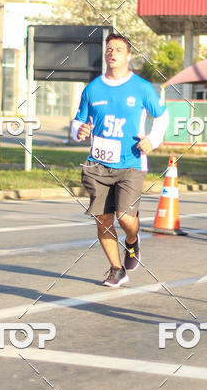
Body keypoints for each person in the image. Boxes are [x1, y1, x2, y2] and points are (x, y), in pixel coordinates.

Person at [71, 33, 169, 288]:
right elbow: (78, 121)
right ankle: (116, 269)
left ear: (129, 56)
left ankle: (132, 241)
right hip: (98, 164)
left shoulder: (142, 88)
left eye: (118, 49)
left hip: (131, 162)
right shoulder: (92, 88)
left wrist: (152, 140)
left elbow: (162, 117)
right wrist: (79, 131)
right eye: (109, 49)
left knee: (125, 217)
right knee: (103, 219)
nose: (112, 53)